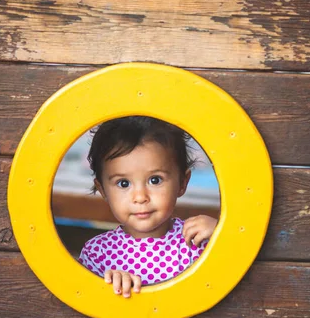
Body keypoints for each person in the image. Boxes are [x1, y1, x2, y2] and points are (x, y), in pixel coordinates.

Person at [78, 116, 217, 298]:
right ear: (102, 189)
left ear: (182, 183)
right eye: (123, 183)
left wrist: (222, 235)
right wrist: (108, 287)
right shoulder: (97, 253)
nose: (140, 197)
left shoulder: (195, 239)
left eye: (155, 180)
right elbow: (82, 300)